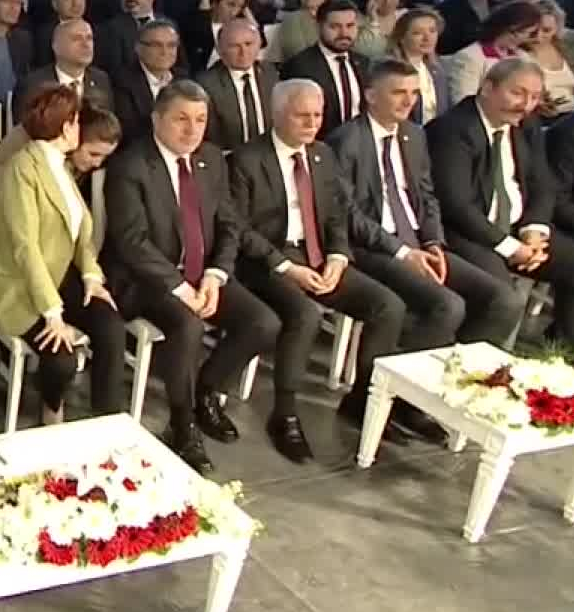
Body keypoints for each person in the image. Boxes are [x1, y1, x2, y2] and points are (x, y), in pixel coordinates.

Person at [103, 81, 281, 472]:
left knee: (263, 323)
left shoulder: (212, 159)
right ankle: (182, 425)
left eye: (200, 120)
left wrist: (216, 276)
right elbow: (132, 243)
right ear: (157, 119)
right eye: (181, 119)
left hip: (204, 273)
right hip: (147, 279)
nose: (192, 130)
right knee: (188, 326)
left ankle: (206, 392)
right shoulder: (130, 165)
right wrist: (182, 289)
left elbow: (230, 225)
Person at [229, 80, 407, 463]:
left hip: (319, 254)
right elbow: (239, 230)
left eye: (317, 115)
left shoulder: (323, 154)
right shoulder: (246, 159)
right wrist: (287, 267)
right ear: (278, 114)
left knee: (387, 306)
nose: (312, 124)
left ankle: (363, 400)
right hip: (267, 259)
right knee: (306, 313)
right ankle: (285, 414)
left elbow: (336, 215)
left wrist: (338, 256)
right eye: (302, 116)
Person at [329, 60, 522, 356]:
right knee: (447, 306)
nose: (409, 101)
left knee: (504, 301)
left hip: (418, 241)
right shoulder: (346, 141)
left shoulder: (414, 135)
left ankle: (458, 369)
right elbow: (349, 215)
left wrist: (433, 242)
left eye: (414, 93)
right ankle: (402, 377)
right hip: (373, 247)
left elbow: (427, 197)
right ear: (371, 95)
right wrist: (403, 253)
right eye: (398, 92)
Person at [0, 87, 127, 422]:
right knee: (62, 359)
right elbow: (25, 247)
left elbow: (80, 232)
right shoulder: (23, 168)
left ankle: (108, 418)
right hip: (19, 287)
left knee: (110, 326)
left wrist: (91, 275)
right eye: (76, 121)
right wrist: (53, 313)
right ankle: (52, 409)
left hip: (57, 275)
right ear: (66, 126)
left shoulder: (61, 167)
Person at [428, 58, 574, 346]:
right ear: (488, 88)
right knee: (501, 300)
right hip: (466, 233)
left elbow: (543, 185)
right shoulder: (452, 130)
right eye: (517, 93)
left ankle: (560, 357)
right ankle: (466, 366)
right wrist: (511, 247)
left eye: (535, 97)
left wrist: (534, 230)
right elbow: (456, 205)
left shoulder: (526, 124)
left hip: (516, 229)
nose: (525, 105)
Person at [281, 0, 372, 137]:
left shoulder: (365, 64)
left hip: (359, 142)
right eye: (335, 27)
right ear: (319, 26)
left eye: (350, 26)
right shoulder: (299, 66)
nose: (344, 33)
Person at [195, 19, 277, 152]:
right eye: (234, 46)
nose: (243, 52)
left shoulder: (270, 73)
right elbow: (211, 139)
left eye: (248, 44)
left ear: (259, 45)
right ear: (220, 50)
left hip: (270, 155)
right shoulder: (206, 85)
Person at [444, 0, 540, 104]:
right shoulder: (470, 57)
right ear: (503, 25)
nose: (521, 38)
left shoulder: (523, 57)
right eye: (518, 32)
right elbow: (464, 101)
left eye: (528, 34)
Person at [391, 8, 451, 124]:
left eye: (432, 31)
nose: (427, 38)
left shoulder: (439, 68)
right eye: (417, 33)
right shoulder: (391, 70)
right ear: (401, 37)